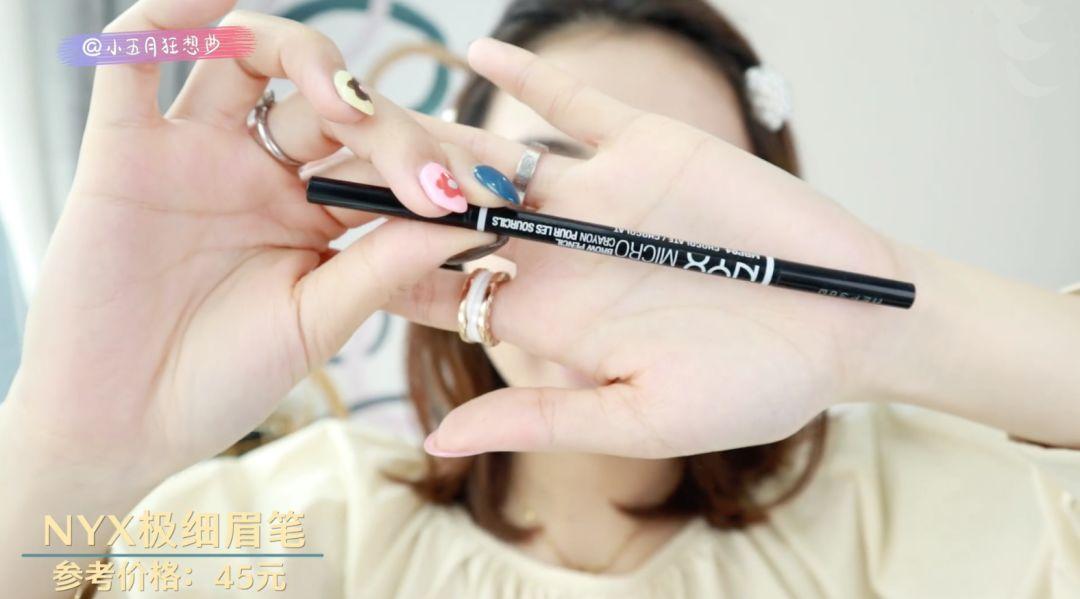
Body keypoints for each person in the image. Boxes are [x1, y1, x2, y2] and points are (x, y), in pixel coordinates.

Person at [1, 0, 1077, 597]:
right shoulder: (301, 525)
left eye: (688, 219)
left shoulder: (910, 505)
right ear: (445, 197)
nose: (619, 262)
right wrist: (72, 446)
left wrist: (887, 315)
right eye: (540, 185)